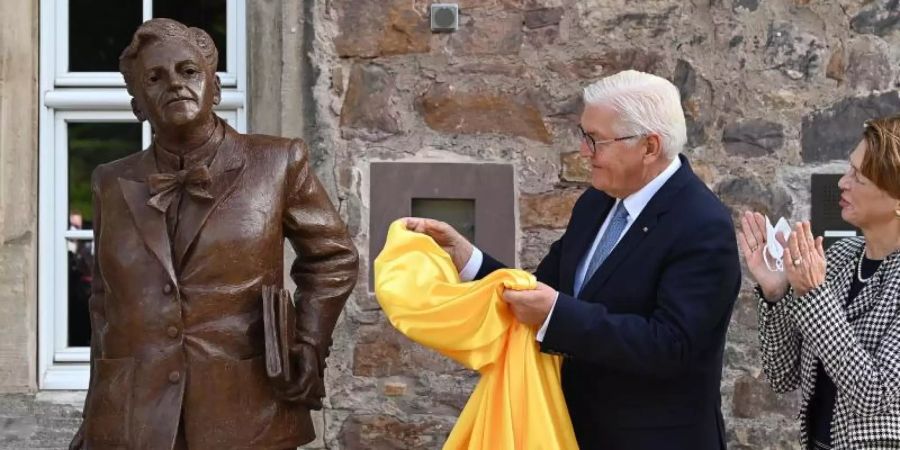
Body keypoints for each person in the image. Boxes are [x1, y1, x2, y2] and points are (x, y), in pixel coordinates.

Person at [406, 70, 741, 450]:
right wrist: (468, 260)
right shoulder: (596, 203)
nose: (584, 152)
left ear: (649, 147)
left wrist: (556, 317)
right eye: (585, 137)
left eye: (595, 140)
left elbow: (671, 345)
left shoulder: (702, 224)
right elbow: (541, 290)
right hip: (574, 433)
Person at [69, 19, 358, 450]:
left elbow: (332, 257)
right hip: (133, 418)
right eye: (155, 77)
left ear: (215, 87)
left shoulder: (277, 162)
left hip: (246, 408)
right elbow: (103, 307)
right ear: (138, 106)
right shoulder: (110, 182)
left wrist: (309, 342)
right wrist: (94, 417)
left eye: (189, 71)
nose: (175, 84)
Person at [743, 115, 900, 450]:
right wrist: (776, 293)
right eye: (848, 169)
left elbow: (876, 395)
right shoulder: (842, 255)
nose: (843, 183)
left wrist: (814, 295)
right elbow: (783, 375)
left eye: (859, 177)